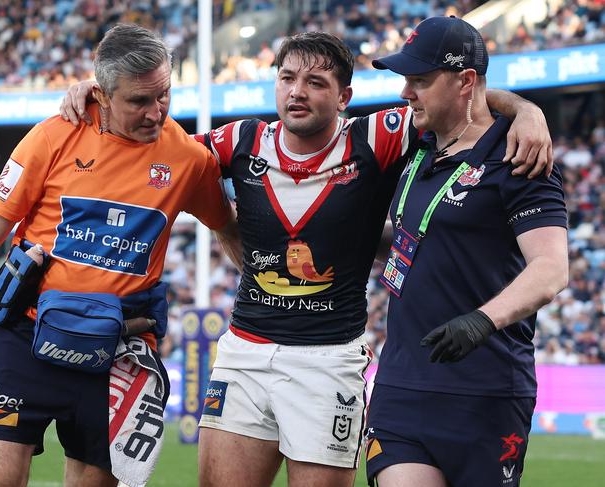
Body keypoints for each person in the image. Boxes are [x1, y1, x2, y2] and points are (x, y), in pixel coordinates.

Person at [60, 30, 553, 487]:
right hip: (245, 353)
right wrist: (102, 87)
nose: (297, 92)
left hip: (328, 361)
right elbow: (153, 149)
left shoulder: (377, 137)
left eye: (316, 82)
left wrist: (527, 112)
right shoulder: (239, 142)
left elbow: (461, 102)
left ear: (344, 98)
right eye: (288, 78)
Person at [0, 24, 238, 487]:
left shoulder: (189, 160)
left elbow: (228, 229)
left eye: (163, 95)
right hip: (23, 338)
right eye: (139, 101)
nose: (156, 112)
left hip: (118, 354)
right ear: (102, 95)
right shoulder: (51, 138)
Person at [365, 16, 568, 487]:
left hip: (487, 393)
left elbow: (552, 268)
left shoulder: (518, 157)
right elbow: (416, 244)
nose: (405, 94)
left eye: (419, 81)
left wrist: (482, 320)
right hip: (401, 387)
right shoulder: (416, 145)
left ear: (465, 82)